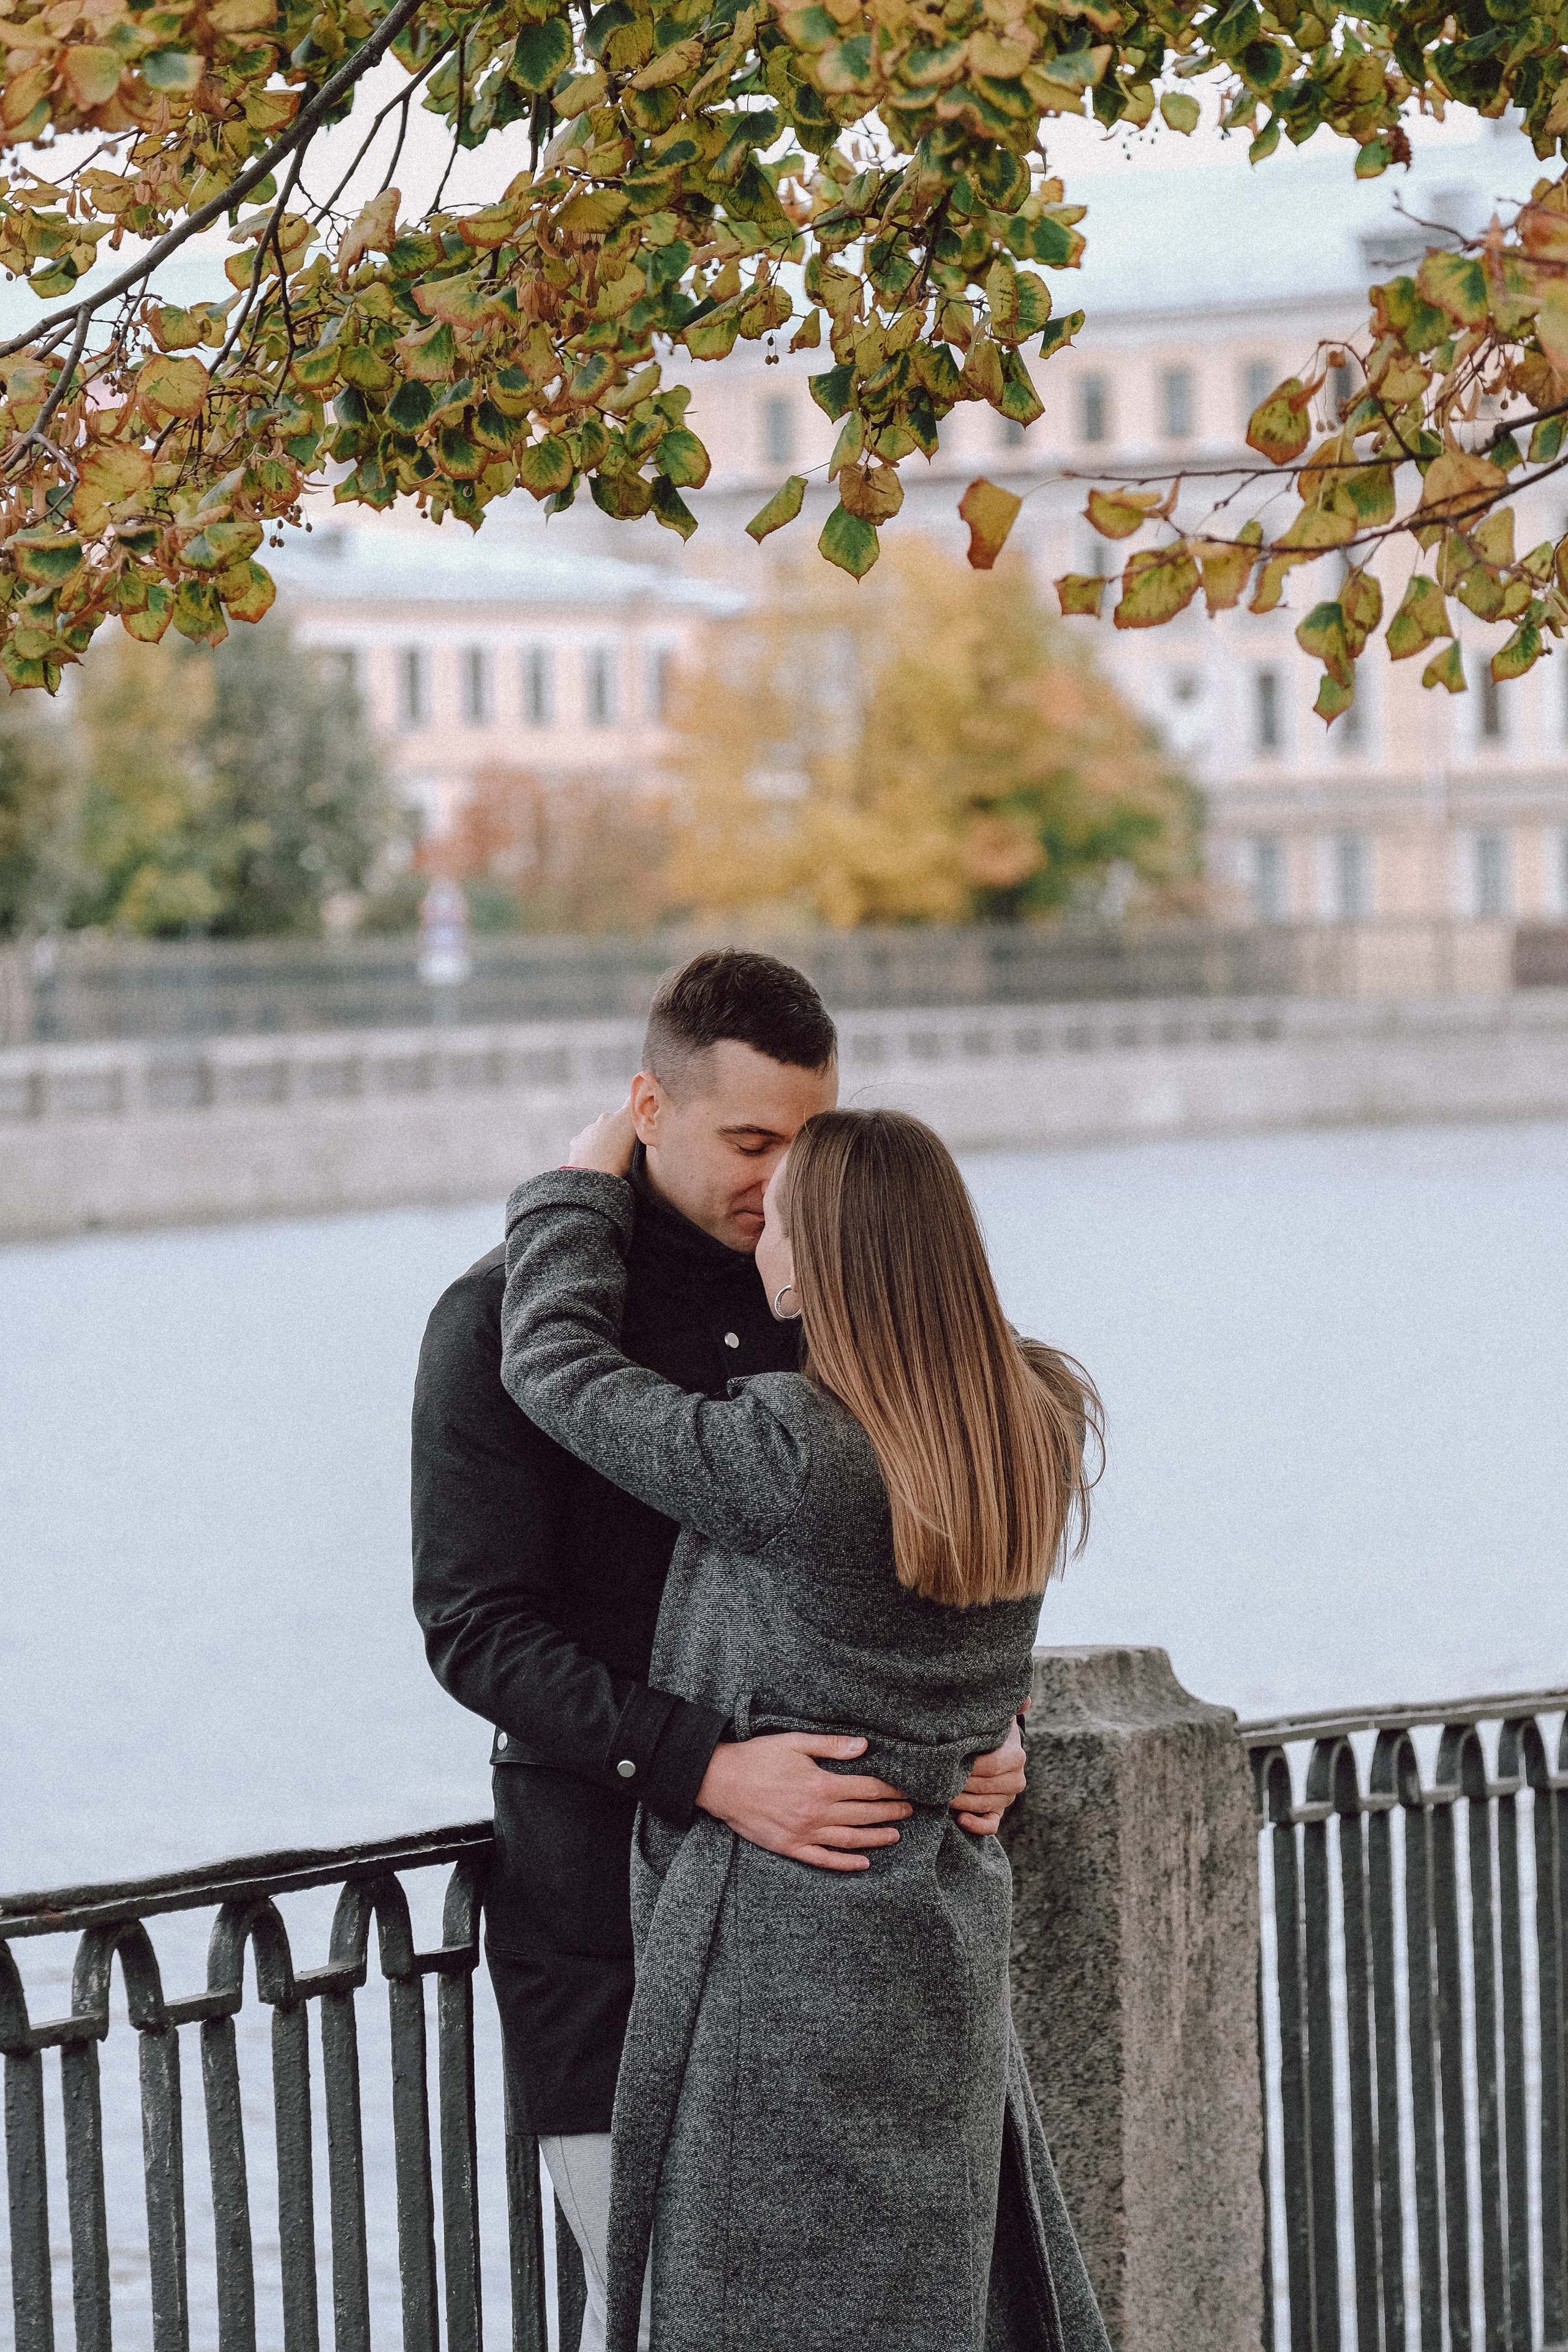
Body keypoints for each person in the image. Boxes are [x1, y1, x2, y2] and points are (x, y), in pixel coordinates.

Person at [411, 951, 1030, 2345]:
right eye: (749, 1142)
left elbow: (936, 1539)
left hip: (855, 1957)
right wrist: (706, 1767)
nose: (781, 1182)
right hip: (609, 1931)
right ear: (648, 1106)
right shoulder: (502, 1317)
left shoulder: (847, 1308)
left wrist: (991, 1720)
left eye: (808, 1146)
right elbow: (473, 1632)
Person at [499, 1101, 1110, 2352]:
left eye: (780, 1217)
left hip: (784, 1960)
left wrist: (573, 1190)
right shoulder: (1034, 1419)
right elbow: (969, 1642)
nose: (758, 1236)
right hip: (939, 1933)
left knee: (755, 2310)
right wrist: (993, 1727)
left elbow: (553, 1365)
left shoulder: (794, 1450)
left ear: (824, 1253)